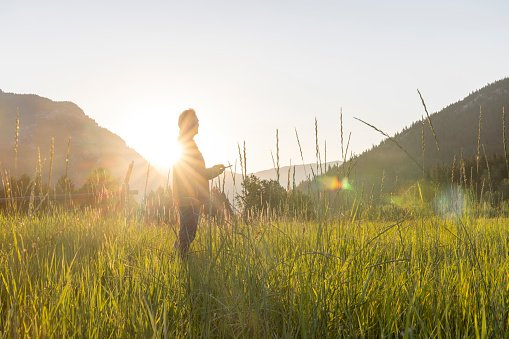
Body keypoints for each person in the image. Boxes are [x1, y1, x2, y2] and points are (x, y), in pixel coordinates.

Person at [172, 108, 226, 257]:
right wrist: (214, 171)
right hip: (188, 196)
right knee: (187, 232)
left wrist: (213, 170)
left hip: (188, 196)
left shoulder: (185, 144)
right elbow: (195, 174)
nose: (198, 124)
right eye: (196, 121)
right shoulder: (186, 145)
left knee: (188, 232)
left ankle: (178, 260)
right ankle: (177, 261)